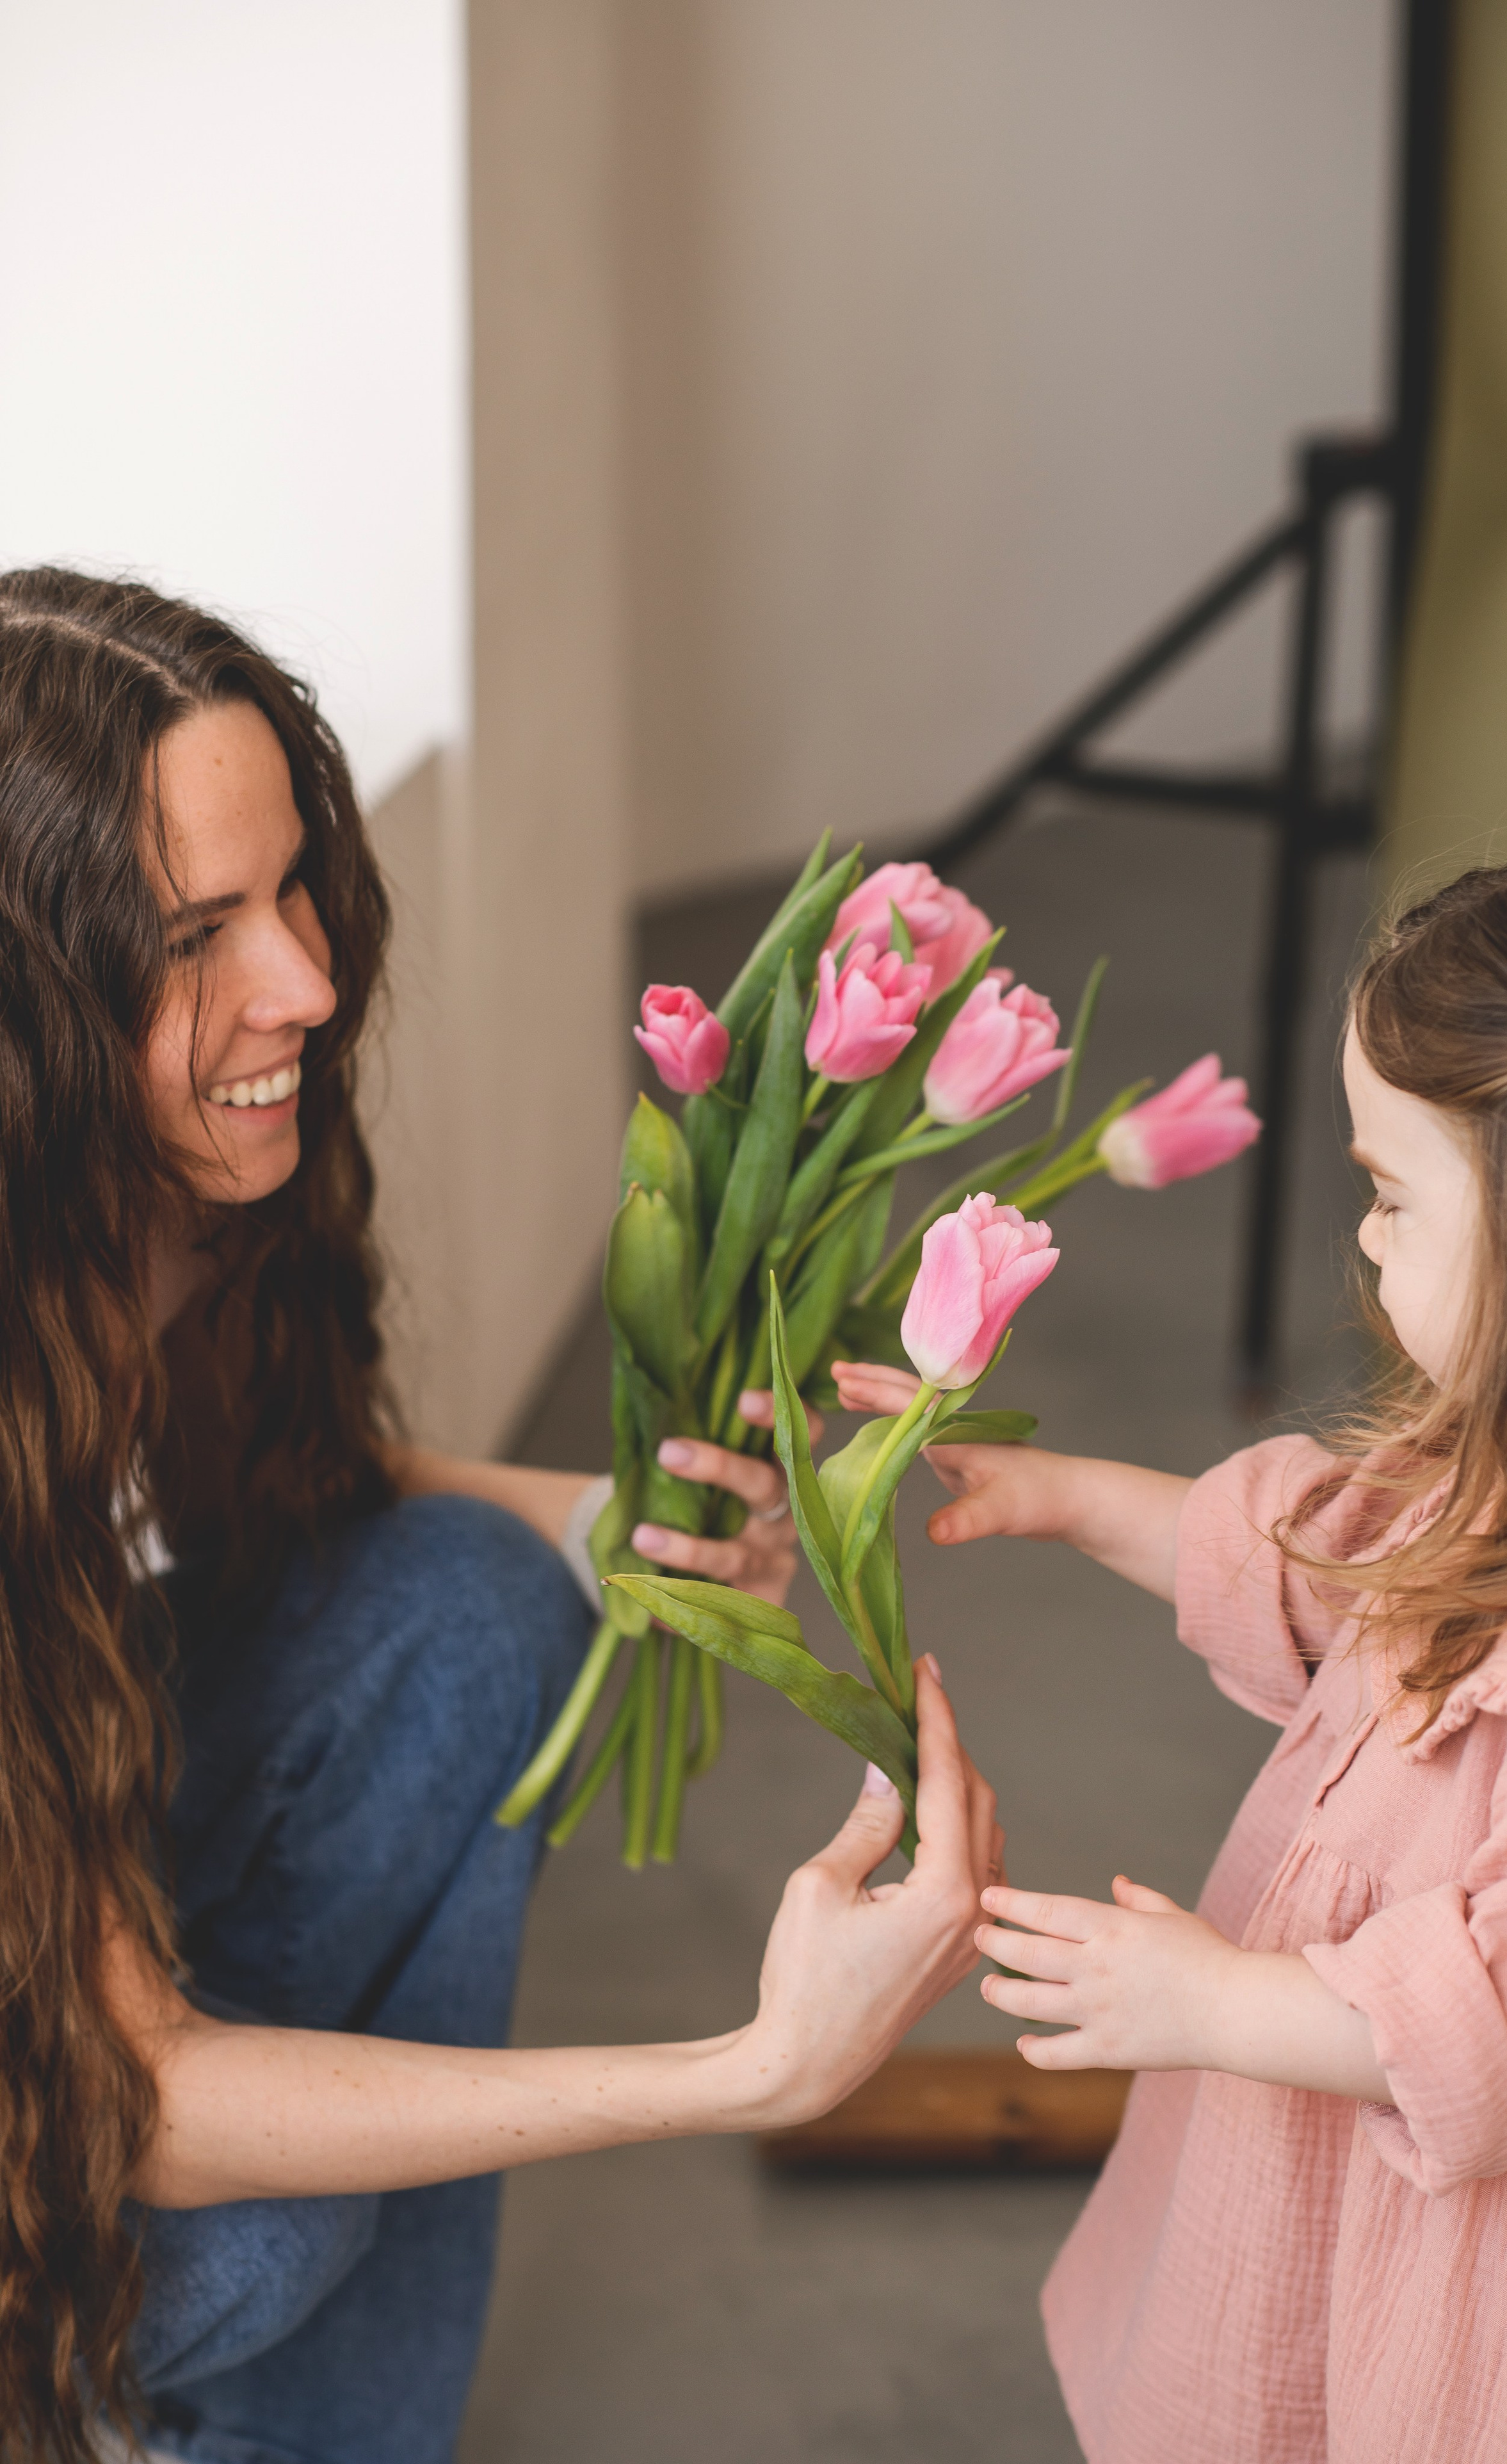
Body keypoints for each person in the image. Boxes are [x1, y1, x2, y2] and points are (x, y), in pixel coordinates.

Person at [0, 568, 999, 2464]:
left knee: (479, 1603)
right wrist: (746, 2070)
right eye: (196, 934)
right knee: (267, 2223)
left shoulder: (131, 1207)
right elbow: (140, 2101)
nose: (305, 983)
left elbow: (281, 1482)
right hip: (76, 2069)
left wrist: (616, 1524)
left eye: (292, 887)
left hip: (61, 1843)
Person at [839, 838, 1507, 2463]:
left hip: (1461, 2244)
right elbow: (1316, 1565)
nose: (1364, 1241)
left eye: (1389, 1197)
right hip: (1327, 2143)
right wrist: (1069, 1498)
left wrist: (1213, 2001)